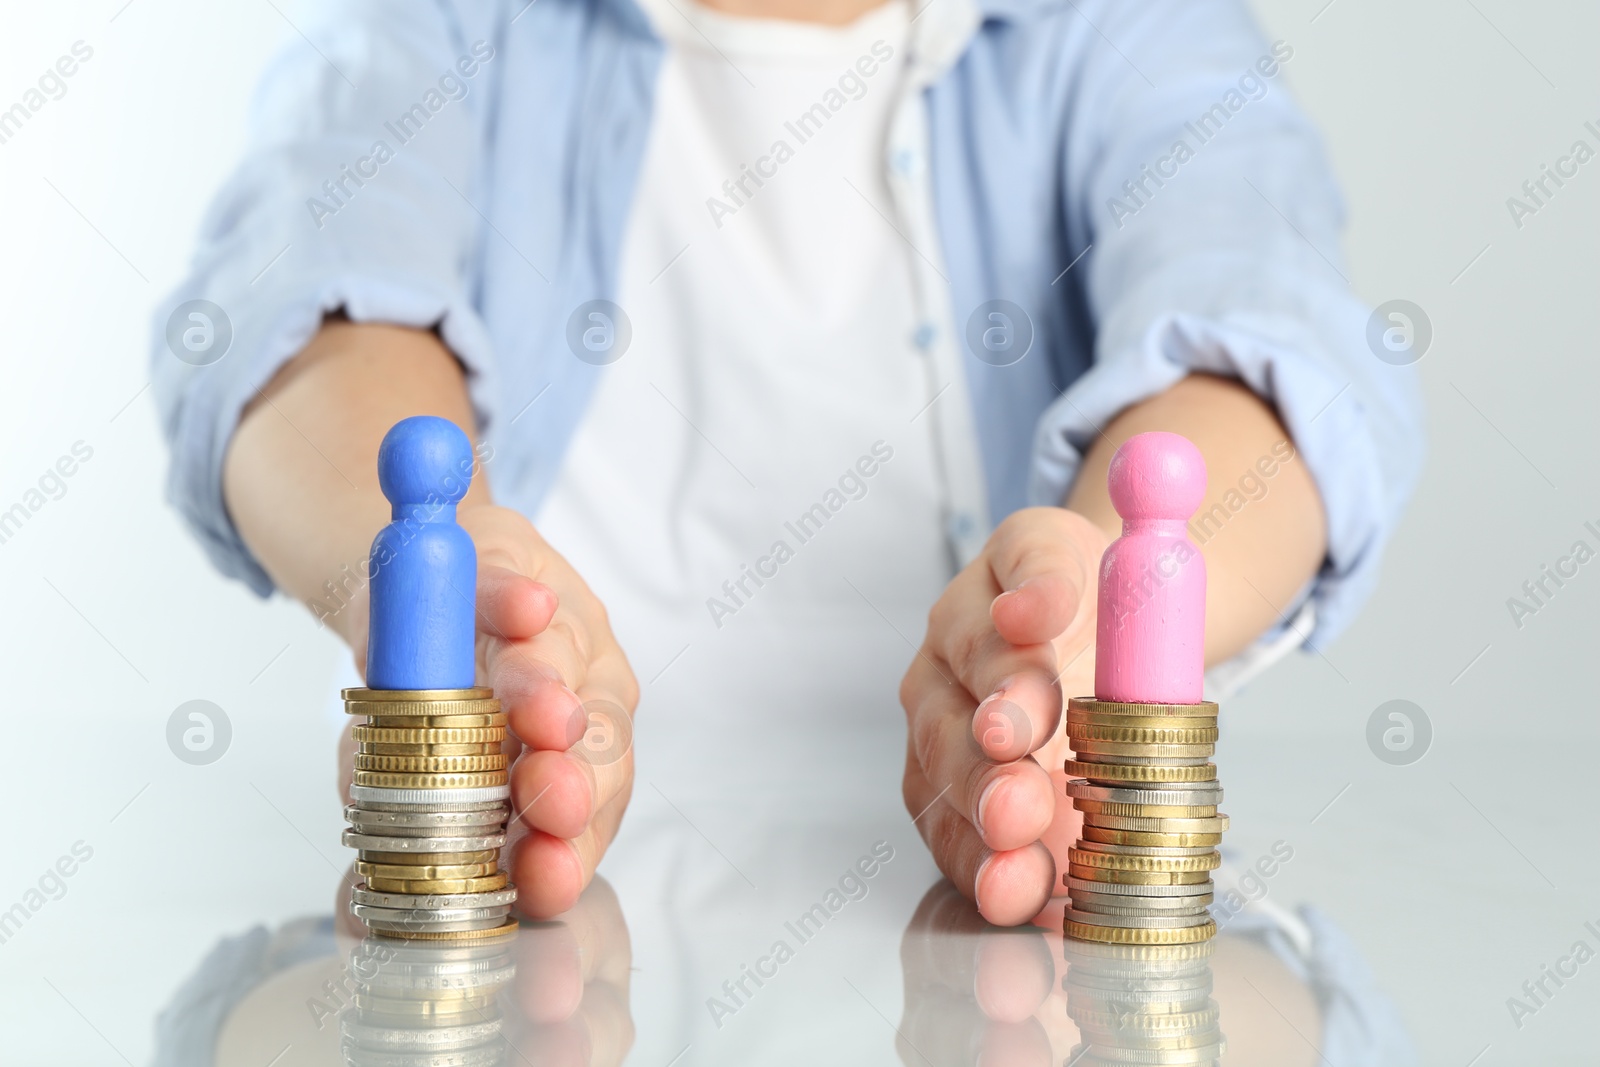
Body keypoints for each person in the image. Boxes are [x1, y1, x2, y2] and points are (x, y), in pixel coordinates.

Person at [152, 0, 1422, 926]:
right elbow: (300, 303)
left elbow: (1266, 331)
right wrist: (443, 586)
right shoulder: (432, 25)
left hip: (983, 923)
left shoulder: (1132, 32)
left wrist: (1084, 623)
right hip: (547, 920)